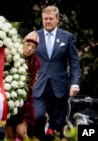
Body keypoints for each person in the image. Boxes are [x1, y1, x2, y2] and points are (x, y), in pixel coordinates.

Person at [32, 5, 81, 140]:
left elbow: (74, 62)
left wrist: (75, 83)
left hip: (60, 86)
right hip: (38, 85)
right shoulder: (35, 36)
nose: (47, 21)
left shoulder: (67, 37)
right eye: (45, 19)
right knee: (38, 116)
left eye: (50, 19)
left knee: (57, 124)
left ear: (57, 19)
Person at [4, 31, 41, 141]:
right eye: (28, 45)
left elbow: (32, 82)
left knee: (21, 133)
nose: (30, 49)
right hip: (7, 98)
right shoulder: (11, 55)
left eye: (33, 47)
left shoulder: (35, 61)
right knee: (9, 136)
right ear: (22, 43)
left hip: (24, 100)